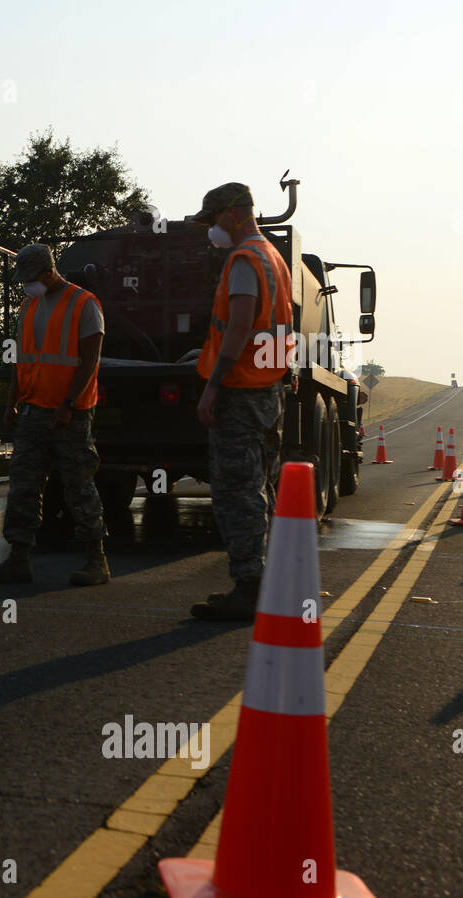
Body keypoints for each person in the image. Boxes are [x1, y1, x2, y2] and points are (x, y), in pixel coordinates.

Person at [187, 183, 294, 620]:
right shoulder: (273, 257)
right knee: (260, 487)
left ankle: (249, 588)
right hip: (266, 388)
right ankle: (261, 584)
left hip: (241, 390)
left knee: (237, 492)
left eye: (212, 220)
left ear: (232, 214)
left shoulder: (244, 260)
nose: (211, 229)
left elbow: (241, 323)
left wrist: (213, 384)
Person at [0, 243, 108, 586]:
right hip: (33, 411)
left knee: (78, 487)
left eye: (31, 278)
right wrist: (12, 402)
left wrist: (69, 404)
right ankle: (18, 558)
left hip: (70, 414)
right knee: (22, 485)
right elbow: (22, 360)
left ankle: (97, 560)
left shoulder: (85, 304)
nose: (26, 285)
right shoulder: (29, 304)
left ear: (49, 274)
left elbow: (89, 362)